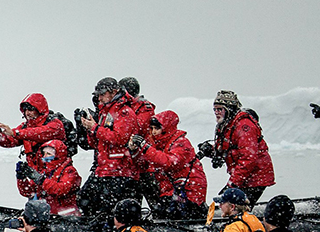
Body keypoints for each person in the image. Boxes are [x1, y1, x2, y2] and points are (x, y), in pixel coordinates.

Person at [77, 77, 141, 218]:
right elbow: (96, 143)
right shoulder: (105, 112)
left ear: (113, 92)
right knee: (83, 201)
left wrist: (94, 128)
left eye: (102, 93)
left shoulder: (124, 112)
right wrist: (88, 129)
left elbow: (119, 138)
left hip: (119, 171)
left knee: (108, 209)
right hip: (104, 170)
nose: (99, 97)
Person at [197, 90, 275, 205]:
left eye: (220, 109)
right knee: (231, 204)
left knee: (234, 206)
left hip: (255, 177)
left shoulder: (244, 126)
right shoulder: (228, 124)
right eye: (215, 109)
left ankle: (245, 220)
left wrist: (233, 184)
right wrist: (211, 150)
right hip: (245, 178)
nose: (216, 112)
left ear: (229, 109)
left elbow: (248, 159)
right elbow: (227, 148)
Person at [128, 111, 208, 220]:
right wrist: (134, 152)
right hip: (171, 192)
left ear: (167, 128)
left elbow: (169, 162)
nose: (154, 132)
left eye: (157, 128)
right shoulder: (158, 144)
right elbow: (144, 165)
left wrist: (145, 147)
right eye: (152, 128)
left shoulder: (181, 143)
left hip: (188, 192)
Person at [0, 93, 67, 189]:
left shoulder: (55, 125)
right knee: (34, 200)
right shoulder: (25, 127)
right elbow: (11, 141)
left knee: (53, 195)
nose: (27, 113)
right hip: (35, 177)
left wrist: (14, 133)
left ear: (40, 109)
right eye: (25, 110)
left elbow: (39, 133)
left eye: (30, 109)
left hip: (55, 176)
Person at [15, 140, 82, 216]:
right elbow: (28, 192)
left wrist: (40, 180)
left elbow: (60, 190)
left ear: (58, 155)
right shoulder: (45, 171)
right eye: (44, 153)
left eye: (49, 153)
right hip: (46, 214)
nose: (44, 156)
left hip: (65, 214)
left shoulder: (70, 171)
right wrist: (21, 178)